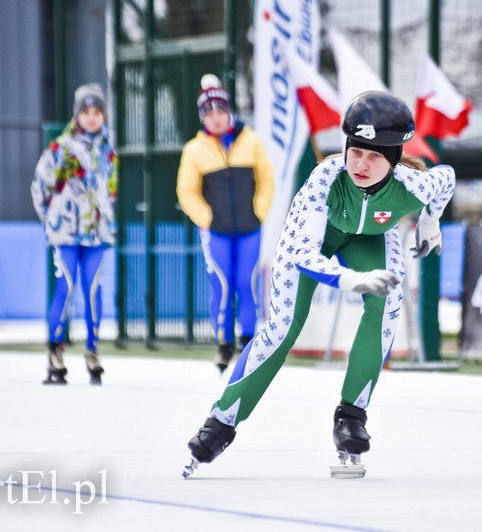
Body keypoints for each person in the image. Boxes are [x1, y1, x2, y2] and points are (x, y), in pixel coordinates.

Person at [181, 90, 456, 479]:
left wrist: (430, 224)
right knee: (283, 326)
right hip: (316, 240)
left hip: (370, 238)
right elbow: (303, 256)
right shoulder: (324, 179)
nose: (361, 163)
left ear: (394, 161)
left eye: (375, 155)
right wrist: (353, 279)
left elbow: (446, 180)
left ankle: (351, 416)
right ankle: (221, 422)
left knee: (389, 299)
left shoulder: (414, 184)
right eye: (355, 151)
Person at [176, 74, 274, 373]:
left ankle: (248, 342)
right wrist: (205, 218)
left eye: (220, 111)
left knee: (247, 284)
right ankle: (223, 345)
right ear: (202, 117)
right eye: (209, 113)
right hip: (216, 232)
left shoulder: (252, 141)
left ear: (229, 111)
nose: (216, 118)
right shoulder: (194, 149)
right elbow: (186, 191)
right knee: (221, 285)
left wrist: (259, 211)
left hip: (249, 228)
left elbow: (266, 180)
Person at [31, 82, 118, 386]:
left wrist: (105, 219)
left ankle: (93, 351)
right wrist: (52, 220)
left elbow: (111, 190)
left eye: (97, 112)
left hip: (96, 235)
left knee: (93, 291)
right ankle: (55, 354)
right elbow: (39, 186)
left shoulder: (109, 150)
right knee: (65, 288)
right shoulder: (61, 148)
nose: (92, 117)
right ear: (77, 115)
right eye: (86, 111)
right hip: (66, 234)